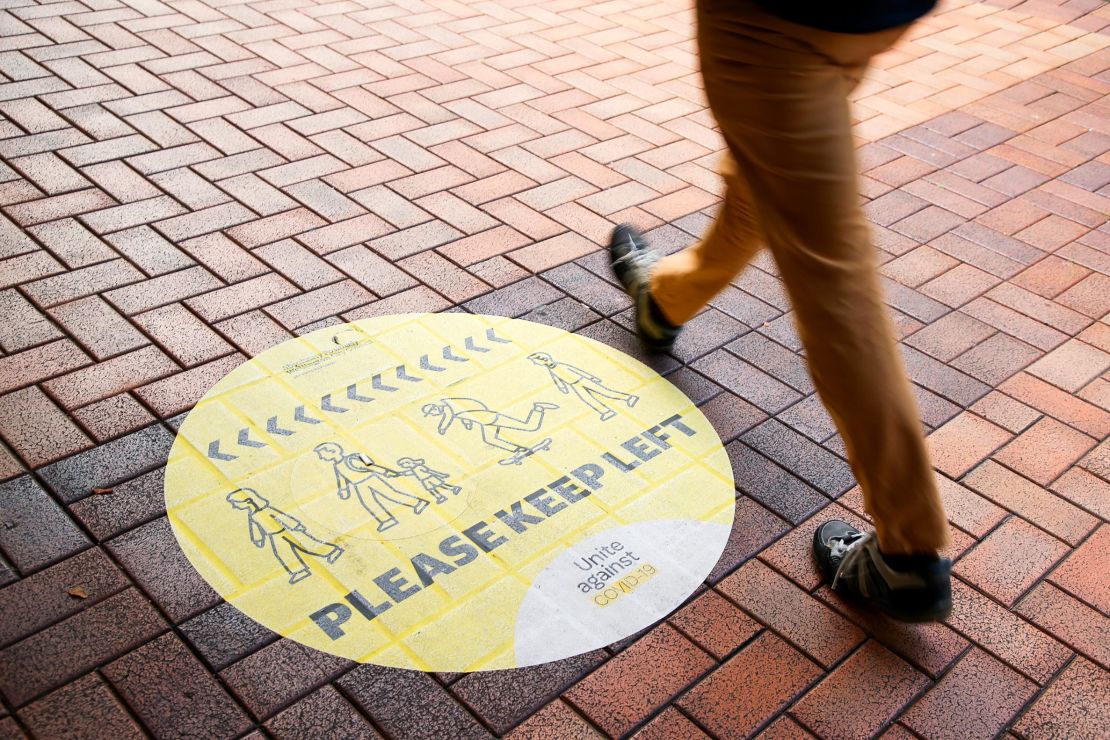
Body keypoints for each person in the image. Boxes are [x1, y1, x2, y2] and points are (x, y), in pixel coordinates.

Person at [609, 0, 951, 621]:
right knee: (763, 168)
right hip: (876, 17)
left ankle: (906, 554)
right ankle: (664, 299)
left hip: (770, 20)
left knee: (832, 276)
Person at [226, 488, 343, 584]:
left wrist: (296, 525)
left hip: (287, 530)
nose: (234, 506)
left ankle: (332, 551)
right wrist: (259, 539)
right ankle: (298, 571)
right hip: (274, 536)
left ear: (248, 501)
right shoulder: (252, 515)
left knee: (308, 545)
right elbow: (256, 528)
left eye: (235, 503)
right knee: (284, 554)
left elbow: (282, 517)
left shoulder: (266, 510)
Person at [313, 442, 430, 532]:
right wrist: (344, 490)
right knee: (368, 503)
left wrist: (386, 472)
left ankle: (418, 502)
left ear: (332, 451)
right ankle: (386, 520)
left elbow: (372, 466)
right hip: (359, 485)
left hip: (370, 479)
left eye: (322, 454)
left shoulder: (351, 459)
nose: (321, 458)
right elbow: (342, 479)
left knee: (392, 494)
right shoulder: (337, 465)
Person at [527, 352, 639, 421]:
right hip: (574, 385)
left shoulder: (560, 365)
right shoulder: (551, 370)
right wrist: (562, 387)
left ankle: (628, 398)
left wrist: (591, 377)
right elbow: (557, 379)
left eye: (535, 361)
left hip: (583, 380)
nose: (535, 363)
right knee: (587, 398)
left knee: (604, 392)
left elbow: (575, 370)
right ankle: (605, 411)